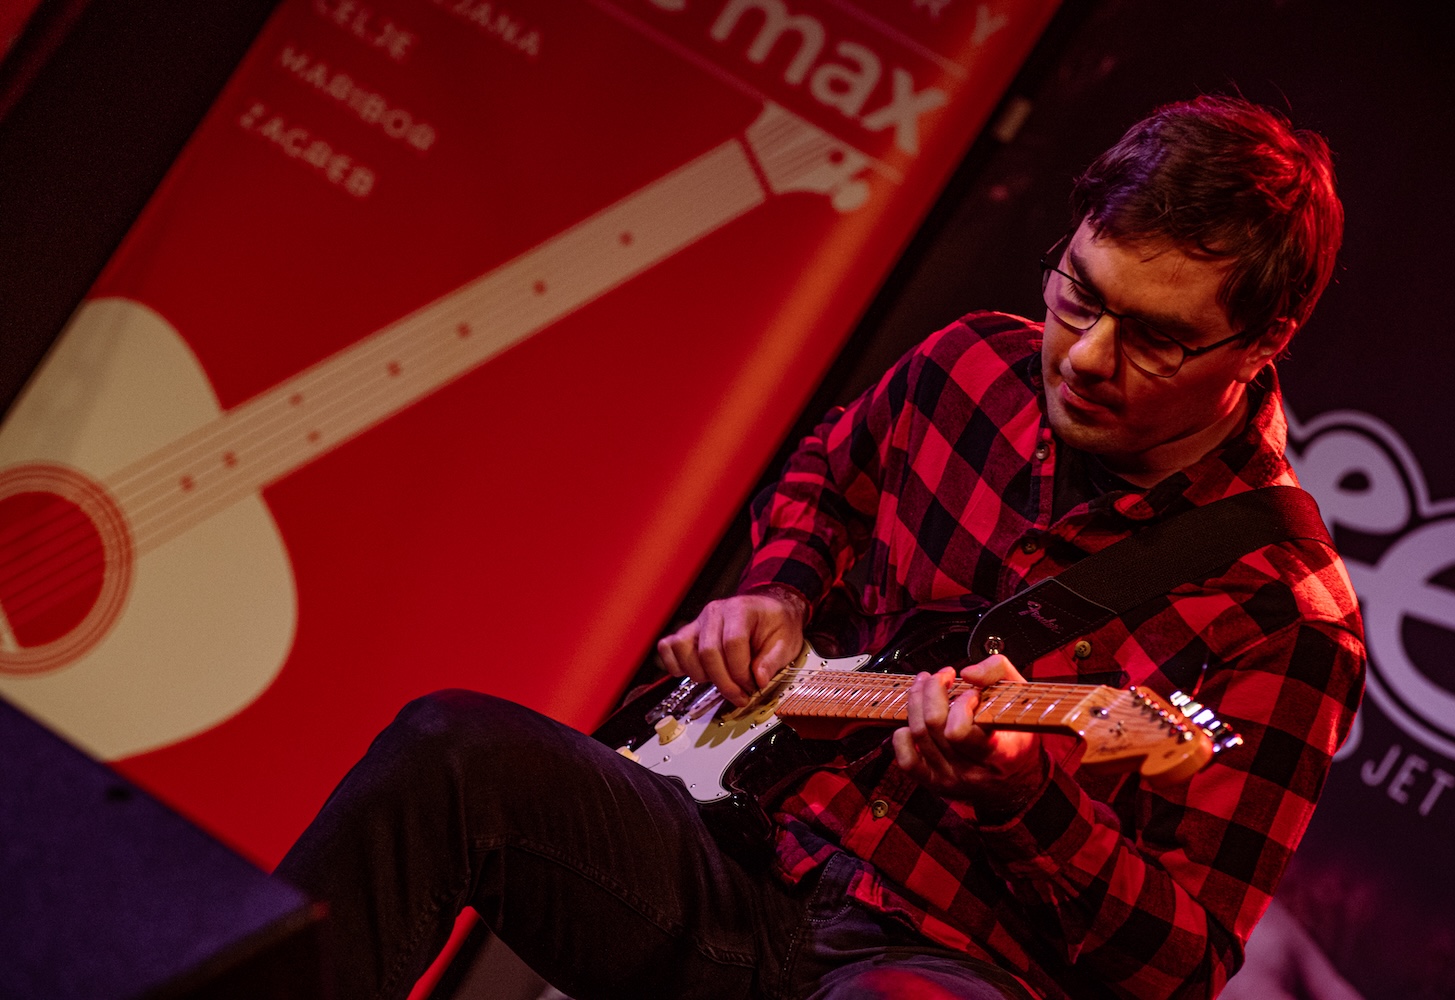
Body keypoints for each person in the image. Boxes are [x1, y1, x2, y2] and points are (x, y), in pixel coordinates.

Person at [275, 96, 1364, 1000]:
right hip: (735, 843)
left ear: (1263, 341)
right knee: (449, 752)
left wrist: (1020, 798)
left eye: (1156, 338)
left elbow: (1181, 965)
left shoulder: (1286, 614)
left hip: (941, 959)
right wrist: (779, 590)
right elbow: (826, 480)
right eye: (1080, 294)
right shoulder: (968, 368)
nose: (1084, 356)